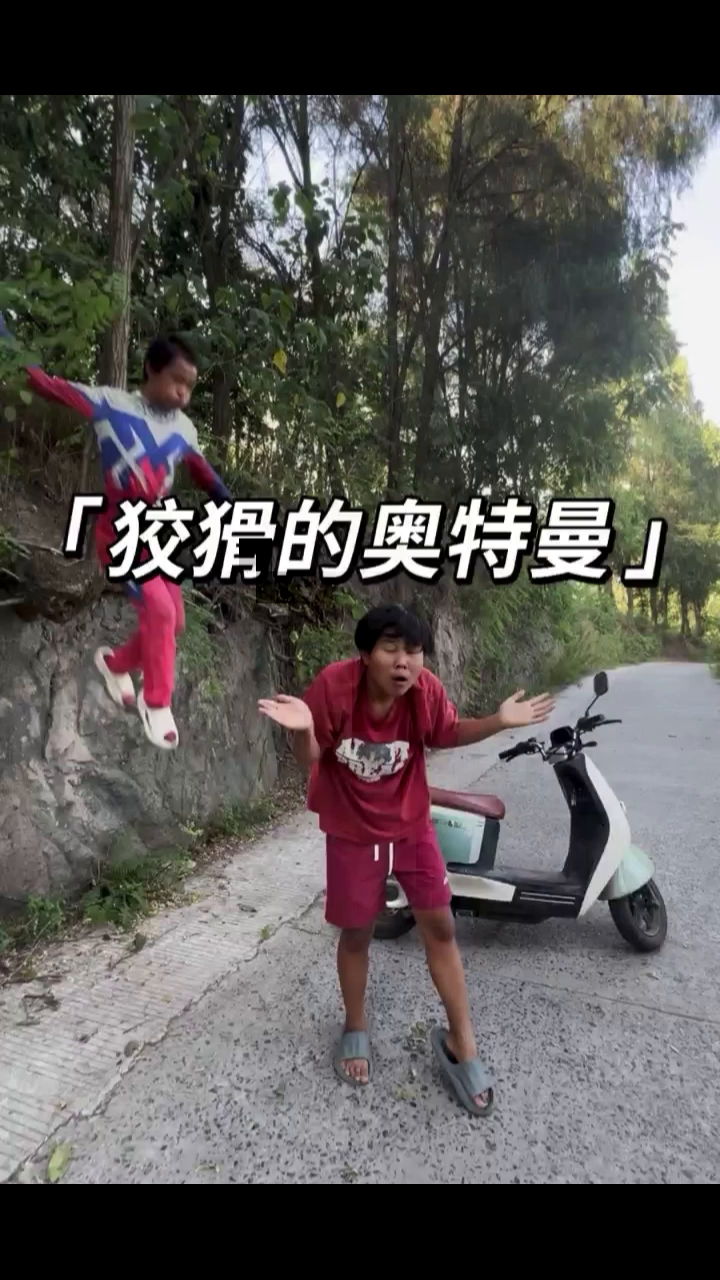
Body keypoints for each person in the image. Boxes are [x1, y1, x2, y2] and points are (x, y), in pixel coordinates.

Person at [258, 603, 554, 1117]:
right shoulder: (334, 687)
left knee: (440, 927)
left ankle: (463, 1042)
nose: (404, 662)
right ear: (365, 653)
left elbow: (447, 732)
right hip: (351, 832)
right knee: (357, 934)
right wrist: (304, 731)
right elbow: (311, 761)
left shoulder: (424, 690)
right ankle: (355, 1025)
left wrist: (499, 722)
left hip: (411, 826)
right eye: (390, 649)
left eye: (413, 651)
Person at [0, 313, 231, 749]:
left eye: (190, 386)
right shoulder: (109, 404)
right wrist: (7, 341)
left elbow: (201, 471)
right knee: (160, 613)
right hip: (120, 533)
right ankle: (156, 702)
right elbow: (47, 385)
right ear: (151, 370)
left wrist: (225, 499)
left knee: (176, 623)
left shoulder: (185, 429)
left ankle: (116, 665)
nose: (183, 394)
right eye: (176, 381)